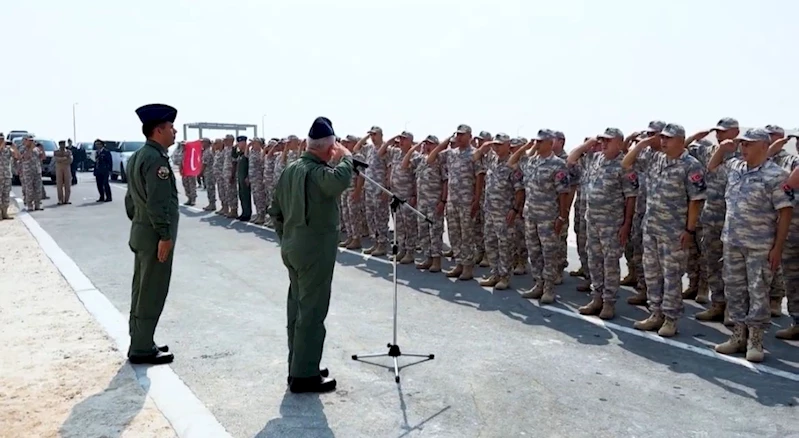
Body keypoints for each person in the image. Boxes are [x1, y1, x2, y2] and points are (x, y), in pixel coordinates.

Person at [267, 116, 354, 393]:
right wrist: (346, 158)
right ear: (329, 147)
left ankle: (300, 364)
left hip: (293, 247)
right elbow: (337, 182)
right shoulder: (317, 172)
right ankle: (304, 375)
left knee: (297, 308)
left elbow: (275, 210)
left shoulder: (291, 169)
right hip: (313, 251)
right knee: (312, 311)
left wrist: (287, 238)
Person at [123, 103, 180, 365]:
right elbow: (158, 203)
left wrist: (141, 223)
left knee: (141, 288)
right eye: (171, 127)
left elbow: (131, 201)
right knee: (152, 291)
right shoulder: (156, 160)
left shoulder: (138, 156)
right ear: (158, 130)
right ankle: (142, 347)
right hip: (155, 236)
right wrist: (164, 236)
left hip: (141, 231)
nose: (174, 132)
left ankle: (141, 339)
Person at [0, 133, 21, 219]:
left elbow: (17, 157)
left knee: (6, 195)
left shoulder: (8, 150)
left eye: (2, 139)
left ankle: (5, 213)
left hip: (7, 176)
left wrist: (14, 147)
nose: (1, 141)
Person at [54, 140, 73, 204]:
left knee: (68, 184)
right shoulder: (56, 152)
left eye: (64, 144)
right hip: (59, 169)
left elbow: (70, 160)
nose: (63, 146)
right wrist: (64, 158)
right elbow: (56, 159)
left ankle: (66, 200)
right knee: (59, 185)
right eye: (61, 144)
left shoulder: (68, 152)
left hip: (67, 169)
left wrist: (61, 160)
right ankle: (60, 199)